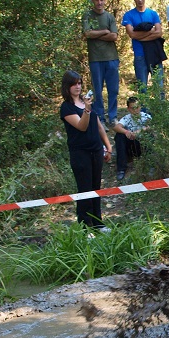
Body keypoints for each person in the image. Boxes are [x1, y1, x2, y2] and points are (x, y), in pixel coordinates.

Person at [59, 70, 113, 232]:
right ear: (67, 86)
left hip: (96, 150)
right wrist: (87, 111)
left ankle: (98, 223)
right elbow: (81, 126)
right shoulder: (66, 107)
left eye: (80, 83)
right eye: (74, 84)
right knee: (85, 189)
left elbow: (97, 125)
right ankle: (84, 226)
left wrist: (108, 146)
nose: (77, 86)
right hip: (80, 153)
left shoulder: (86, 102)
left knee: (96, 187)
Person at [82, 0, 119, 127]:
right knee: (97, 90)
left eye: (102, 0)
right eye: (96, 0)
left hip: (111, 58)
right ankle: (100, 119)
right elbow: (87, 33)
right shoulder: (87, 15)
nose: (99, 2)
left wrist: (95, 35)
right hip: (95, 58)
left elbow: (114, 36)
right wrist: (104, 31)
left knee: (113, 89)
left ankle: (113, 117)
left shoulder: (109, 17)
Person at [122, 0, 165, 94]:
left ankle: (160, 108)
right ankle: (143, 109)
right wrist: (150, 31)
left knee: (159, 86)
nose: (140, 1)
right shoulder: (129, 15)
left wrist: (140, 37)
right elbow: (132, 34)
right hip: (140, 55)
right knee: (142, 88)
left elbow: (159, 33)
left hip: (155, 54)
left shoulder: (153, 14)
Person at [112, 96, 151, 181]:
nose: (135, 110)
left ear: (140, 107)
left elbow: (152, 127)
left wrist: (140, 131)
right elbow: (116, 127)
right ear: (128, 109)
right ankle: (121, 169)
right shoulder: (127, 118)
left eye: (137, 107)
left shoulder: (146, 117)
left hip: (142, 144)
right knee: (119, 136)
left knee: (150, 135)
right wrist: (126, 132)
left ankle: (150, 164)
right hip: (130, 145)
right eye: (132, 108)